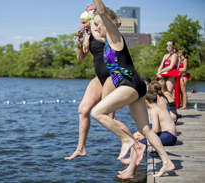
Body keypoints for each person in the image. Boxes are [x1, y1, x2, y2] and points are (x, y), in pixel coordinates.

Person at [90, 0, 174, 178]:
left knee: (97, 113)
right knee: (145, 129)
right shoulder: (105, 40)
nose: (96, 28)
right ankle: (167, 162)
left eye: (98, 24)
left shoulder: (114, 35)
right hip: (135, 84)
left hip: (129, 84)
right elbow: (96, 29)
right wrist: (90, 17)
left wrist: (97, 7)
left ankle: (126, 140)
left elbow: (103, 14)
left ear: (107, 22)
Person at [65, 5, 145, 164]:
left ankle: (135, 145)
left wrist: (97, 11)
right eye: (81, 22)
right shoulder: (89, 37)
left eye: (85, 22)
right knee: (83, 110)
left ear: (91, 20)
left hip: (112, 75)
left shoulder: (104, 32)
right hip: (99, 77)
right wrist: (79, 39)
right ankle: (81, 147)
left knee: (109, 117)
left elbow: (117, 21)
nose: (83, 25)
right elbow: (80, 58)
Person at [118, 91, 177, 179]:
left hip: (169, 136)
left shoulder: (153, 110)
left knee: (139, 144)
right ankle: (130, 167)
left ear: (146, 101)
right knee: (138, 140)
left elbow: (155, 129)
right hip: (169, 135)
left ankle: (130, 171)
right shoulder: (158, 108)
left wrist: (144, 136)